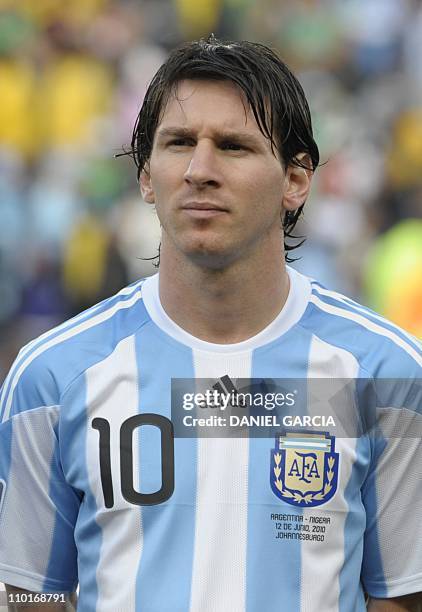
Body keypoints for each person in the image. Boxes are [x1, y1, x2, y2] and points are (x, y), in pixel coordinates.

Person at [0, 36, 421, 612]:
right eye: (178, 143)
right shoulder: (51, 379)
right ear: (146, 176)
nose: (200, 169)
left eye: (233, 146)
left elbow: (399, 597)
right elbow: (28, 596)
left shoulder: (387, 374)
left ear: (296, 180)